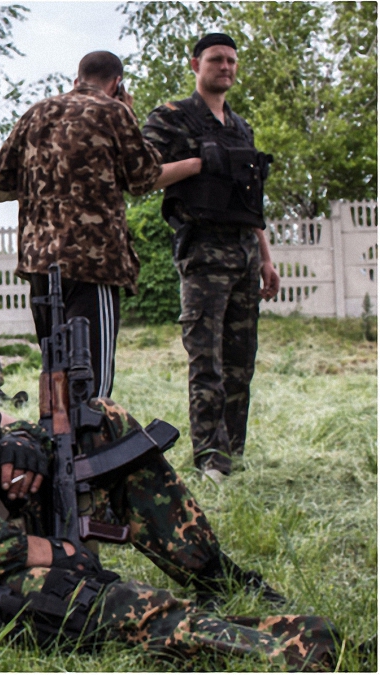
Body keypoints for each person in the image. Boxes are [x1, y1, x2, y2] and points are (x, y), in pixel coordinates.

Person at [0, 244, 339, 670]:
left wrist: (24, 446)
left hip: (1, 534)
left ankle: (215, 574)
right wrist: (44, 550)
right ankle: (295, 649)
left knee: (103, 422)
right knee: (108, 604)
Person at [0, 51, 203, 398]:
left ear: (77, 79)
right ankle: (90, 448)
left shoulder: (36, 113)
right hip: (94, 263)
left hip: (40, 265)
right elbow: (144, 176)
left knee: (55, 380)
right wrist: (189, 161)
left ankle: (60, 448)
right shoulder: (115, 111)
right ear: (117, 84)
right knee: (91, 384)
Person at [142, 33, 280, 482]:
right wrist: (200, 162)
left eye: (232, 61)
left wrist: (266, 258)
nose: (226, 67)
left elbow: (251, 199)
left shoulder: (241, 127)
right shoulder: (173, 118)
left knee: (241, 361)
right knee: (208, 361)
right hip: (203, 251)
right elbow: (142, 175)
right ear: (195, 64)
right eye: (217, 60)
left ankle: (233, 455)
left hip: (242, 250)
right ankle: (210, 460)